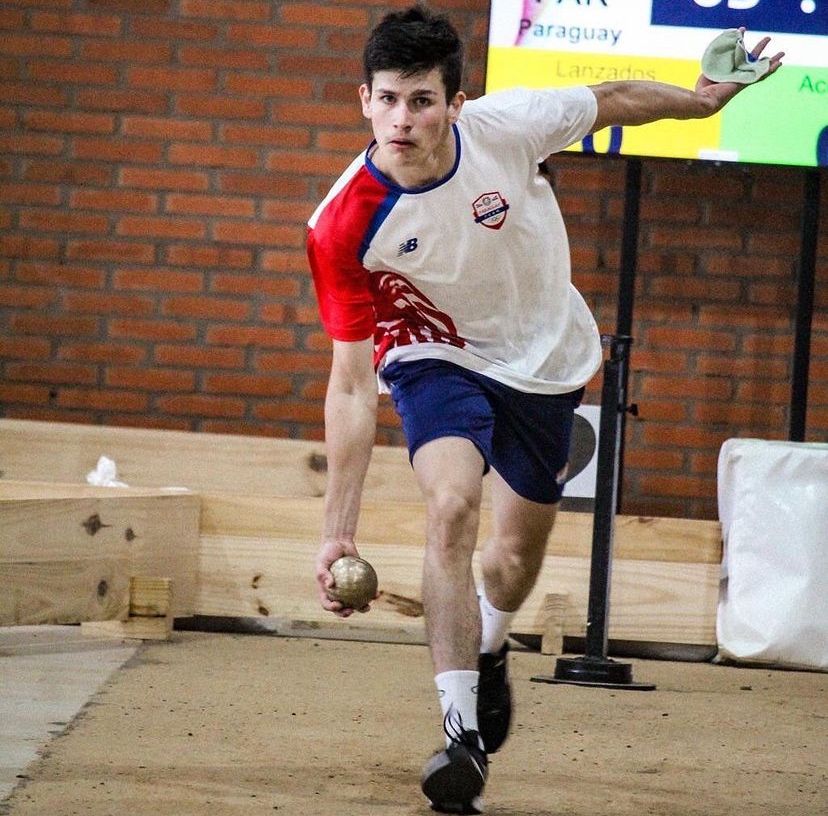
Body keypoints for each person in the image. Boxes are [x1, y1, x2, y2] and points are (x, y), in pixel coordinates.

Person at [307, 5, 782, 813]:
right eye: (388, 99)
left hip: (546, 360)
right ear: (363, 100)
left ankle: (492, 644)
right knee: (451, 507)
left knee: (513, 563)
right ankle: (460, 735)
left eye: (422, 100)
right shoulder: (342, 226)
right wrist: (336, 529)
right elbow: (352, 384)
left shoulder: (509, 126)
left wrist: (700, 103)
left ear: (456, 104)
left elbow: (613, 97)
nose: (403, 119)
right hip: (434, 354)